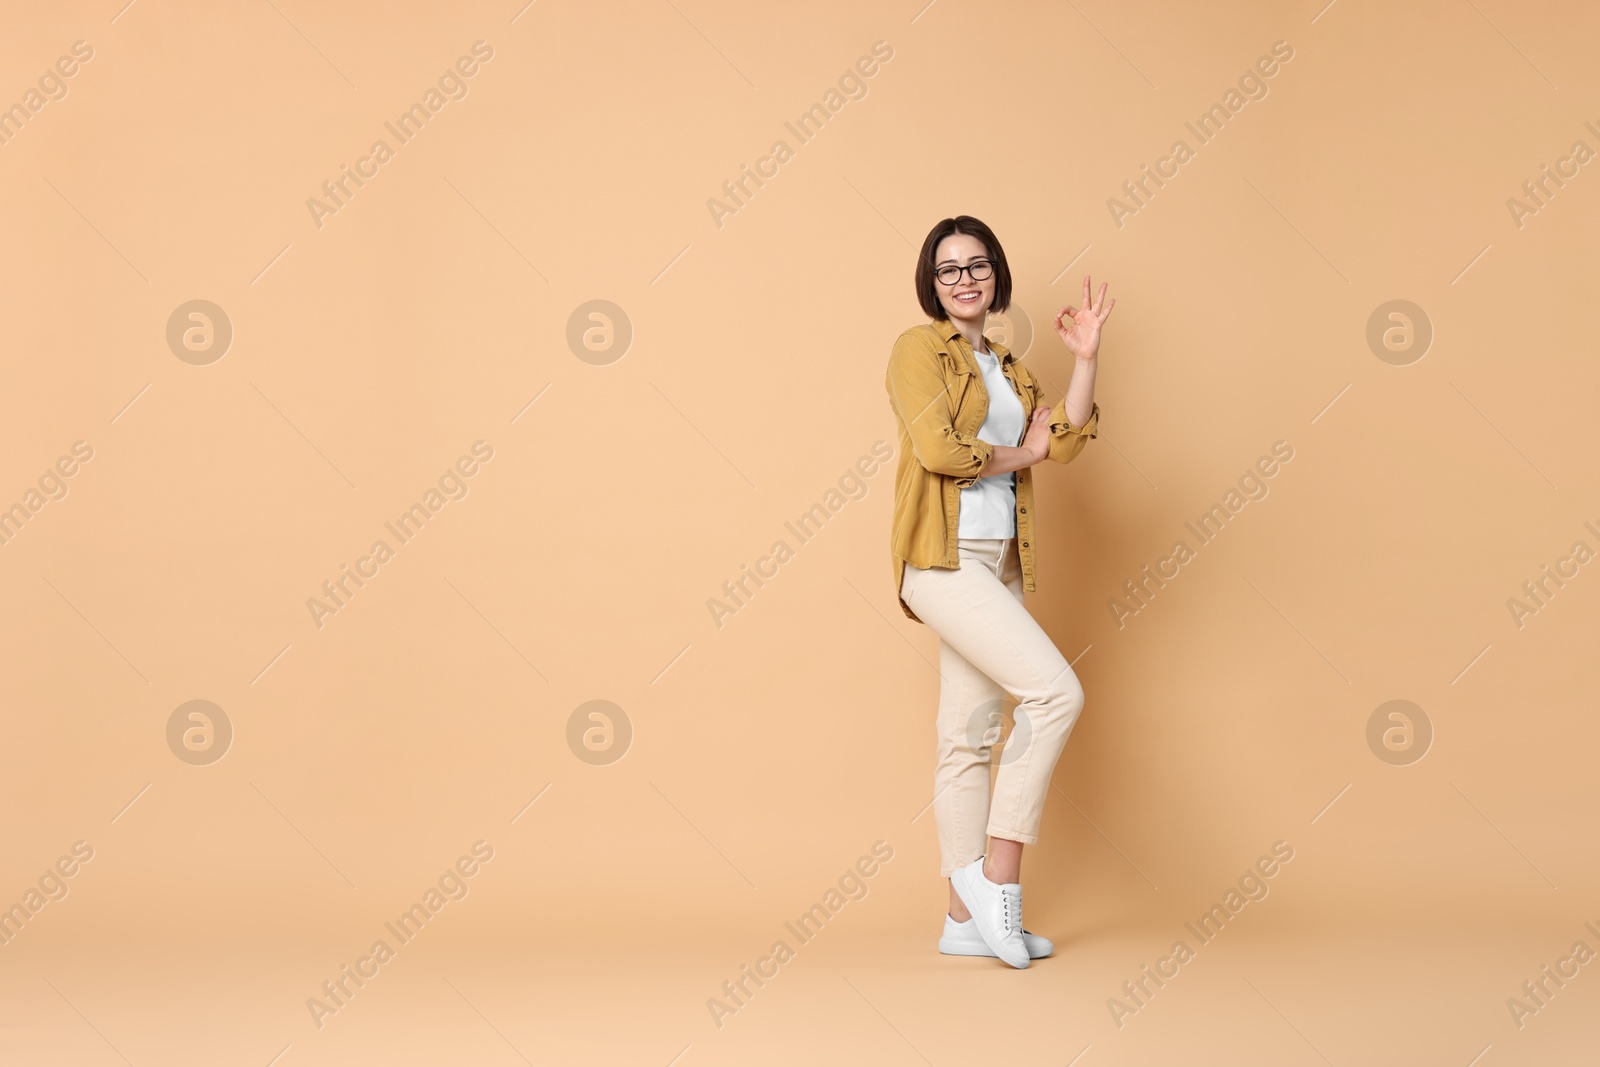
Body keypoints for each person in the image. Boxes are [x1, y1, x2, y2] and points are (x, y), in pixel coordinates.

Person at [884, 215, 1114, 968]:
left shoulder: (1010, 367)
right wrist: (1025, 453)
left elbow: (1069, 439)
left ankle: (960, 920)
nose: (964, 279)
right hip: (943, 558)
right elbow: (940, 450)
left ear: (995, 274)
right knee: (1056, 695)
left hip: (1001, 564)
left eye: (976, 265)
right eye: (948, 269)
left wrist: (1085, 360)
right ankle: (997, 883)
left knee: (968, 734)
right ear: (932, 281)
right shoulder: (918, 350)